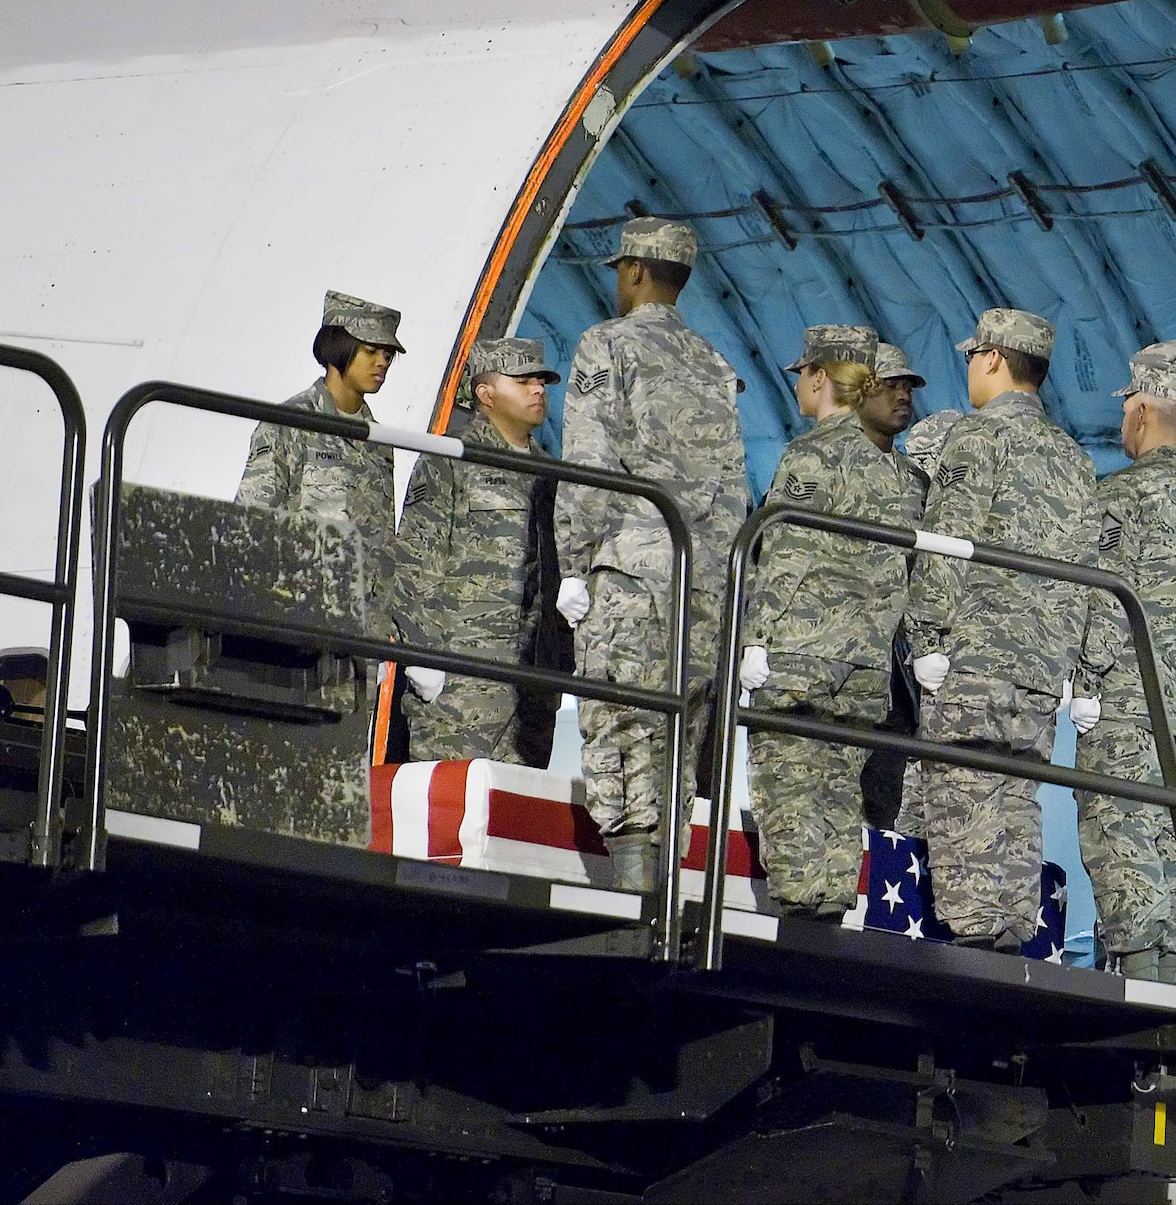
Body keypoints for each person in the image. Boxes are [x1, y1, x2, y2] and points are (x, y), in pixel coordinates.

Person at [553, 218, 750, 892]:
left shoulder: (607, 345)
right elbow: (734, 490)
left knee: (620, 719)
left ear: (634, 271)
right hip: (702, 581)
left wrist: (574, 565)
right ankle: (664, 889)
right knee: (679, 731)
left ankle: (632, 892)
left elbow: (589, 464)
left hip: (633, 571)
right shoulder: (714, 364)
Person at [905, 308, 1097, 950]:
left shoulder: (976, 438)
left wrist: (927, 639)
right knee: (1017, 800)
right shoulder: (1074, 459)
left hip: (974, 657)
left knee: (962, 796)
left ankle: (974, 938)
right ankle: (1013, 932)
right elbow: (1086, 570)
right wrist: (1070, 669)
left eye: (971, 358)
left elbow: (946, 544)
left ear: (991, 359)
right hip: (1040, 668)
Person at [1071, 339, 1176, 984]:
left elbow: (1105, 596)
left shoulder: (1121, 495)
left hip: (1132, 714)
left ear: (1143, 410)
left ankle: (1143, 1001)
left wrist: (1086, 682)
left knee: (1129, 864)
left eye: (1126, 408)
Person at [738, 326, 925, 920]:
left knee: (791, 786)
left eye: (801, 374)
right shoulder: (896, 475)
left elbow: (784, 553)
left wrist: (755, 641)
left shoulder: (811, 454)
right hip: (865, 664)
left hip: (801, 655)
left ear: (818, 377)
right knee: (842, 793)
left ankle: (797, 919)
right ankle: (833, 905)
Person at [391, 337, 563, 764]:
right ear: (485, 393)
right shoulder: (450, 460)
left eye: (541, 380)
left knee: (514, 821)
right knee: (448, 813)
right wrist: (423, 657)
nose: (538, 389)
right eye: (523, 381)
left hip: (531, 689)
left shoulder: (553, 475)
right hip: (462, 685)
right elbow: (413, 564)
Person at [236, 290, 404, 621]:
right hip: (299, 610)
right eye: (370, 350)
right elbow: (252, 518)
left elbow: (382, 540)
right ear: (337, 349)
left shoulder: (378, 441)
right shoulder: (291, 422)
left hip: (361, 622)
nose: (382, 361)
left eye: (387, 354)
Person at [851, 342, 930, 832]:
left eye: (909, 387)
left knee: (881, 818)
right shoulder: (822, 461)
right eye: (891, 384)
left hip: (891, 681)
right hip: (829, 668)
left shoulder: (917, 485)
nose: (903, 394)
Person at [856, 343, 922, 452]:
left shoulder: (905, 468)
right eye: (890, 386)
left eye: (908, 389)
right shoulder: (828, 460)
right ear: (859, 391)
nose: (905, 396)